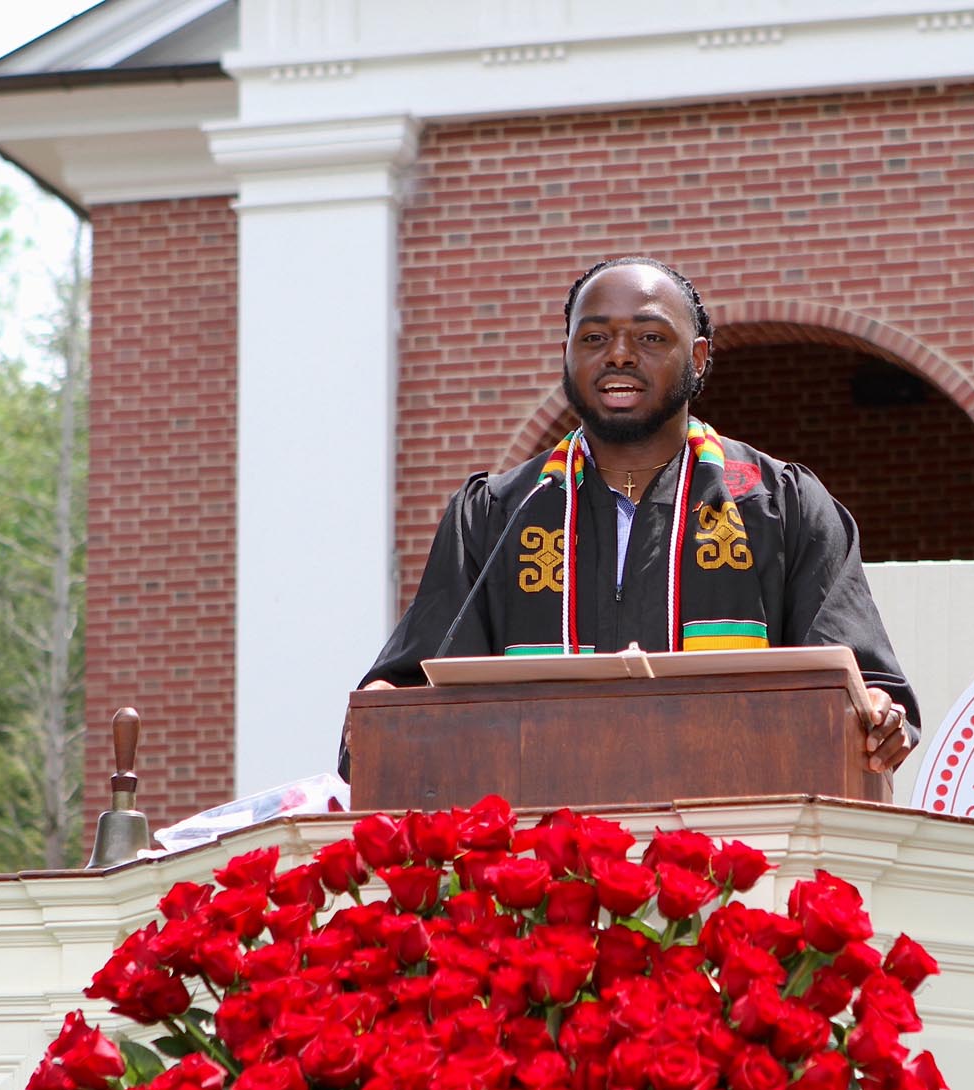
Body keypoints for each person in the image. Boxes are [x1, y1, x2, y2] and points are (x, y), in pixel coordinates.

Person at [345, 256, 918, 775]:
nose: (618, 353)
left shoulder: (780, 505)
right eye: (594, 337)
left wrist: (879, 715)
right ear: (567, 354)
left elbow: (863, 688)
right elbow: (411, 685)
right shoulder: (499, 514)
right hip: (546, 853)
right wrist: (377, 710)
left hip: (737, 841)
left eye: (649, 336)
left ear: (696, 358)